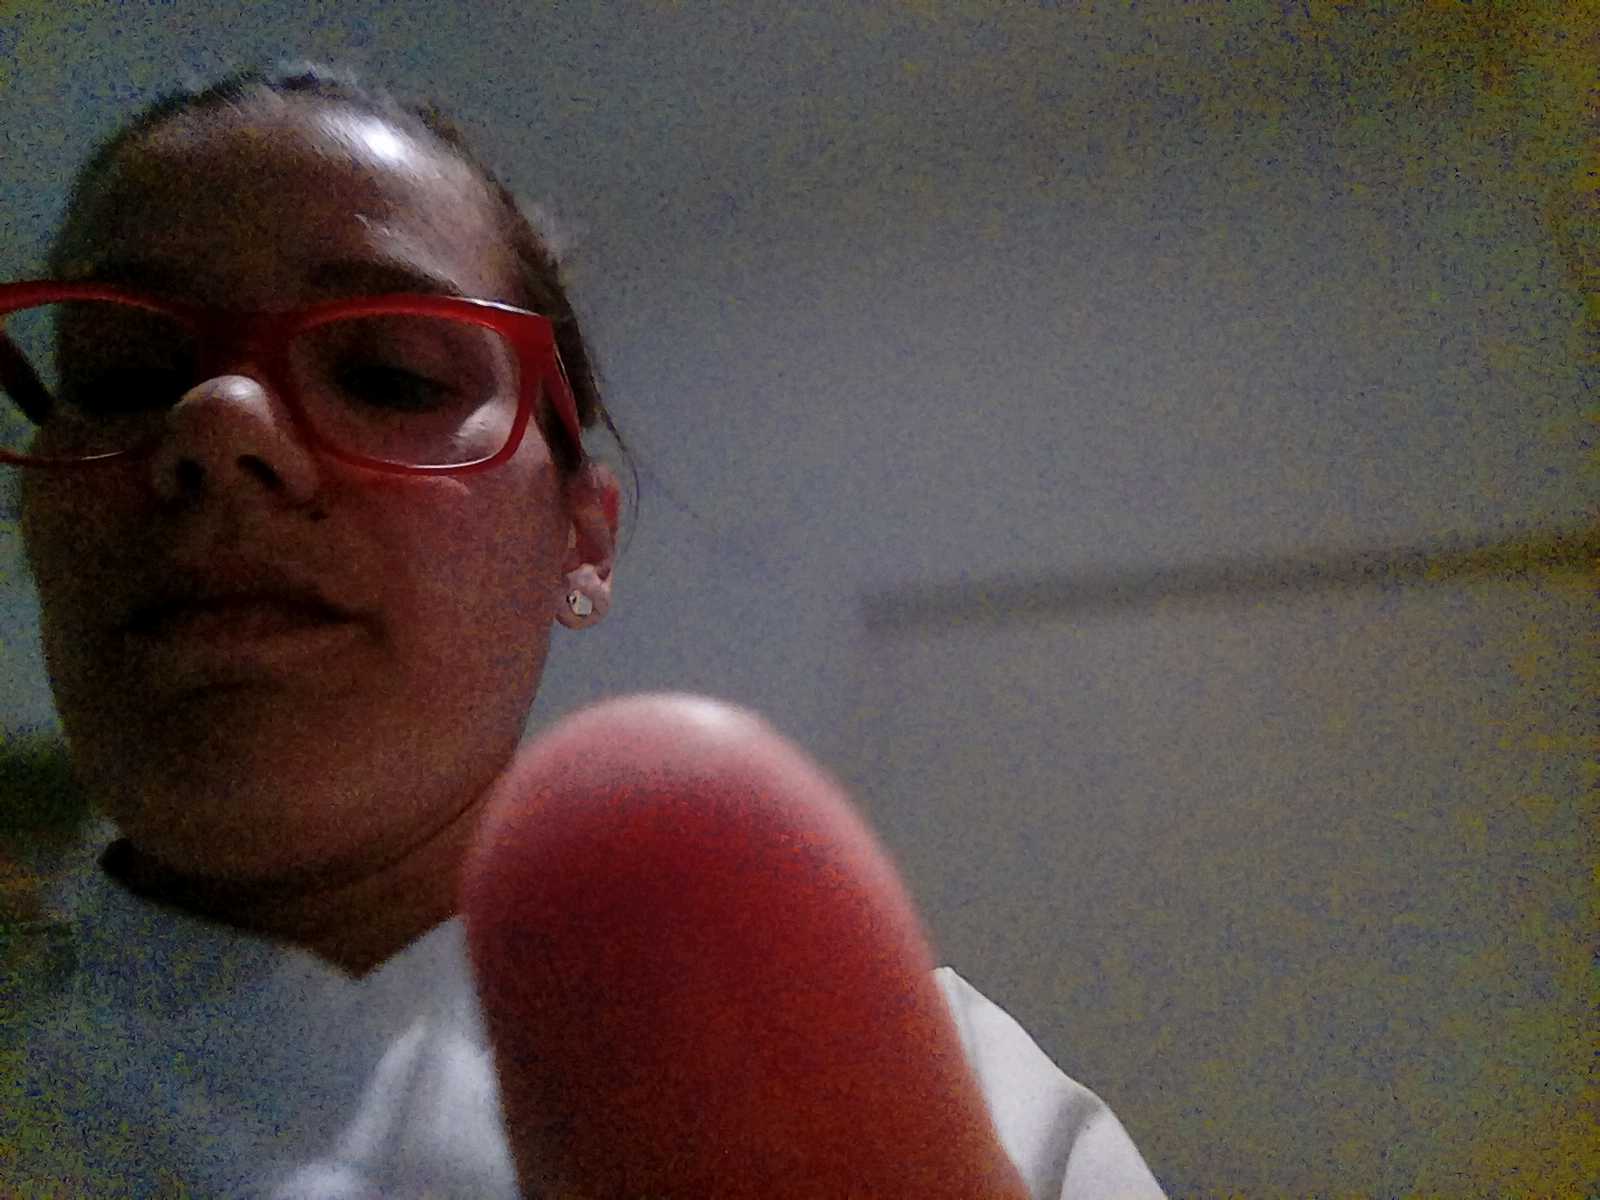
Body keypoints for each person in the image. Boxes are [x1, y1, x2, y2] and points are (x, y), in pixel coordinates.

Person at [0, 62, 1167, 1197]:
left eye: (392, 376)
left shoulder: (960, 1106)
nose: (216, 422)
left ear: (582, 539)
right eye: (122, 374)